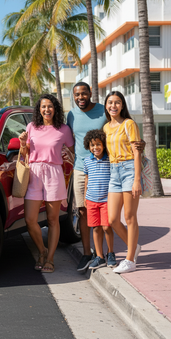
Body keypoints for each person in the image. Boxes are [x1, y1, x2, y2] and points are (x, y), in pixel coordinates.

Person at [66, 82, 145, 272]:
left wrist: (136, 176)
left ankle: (124, 257)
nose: (113, 106)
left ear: (91, 93)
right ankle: (96, 252)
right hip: (94, 169)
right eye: (77, 94)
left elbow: (134, 146)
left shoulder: (118, 118)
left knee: (121, 217)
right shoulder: (81, 118)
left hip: (117, 169)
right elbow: (71, 139)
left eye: (117, 103)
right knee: (98, 215)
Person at [18, 94, 74, 273]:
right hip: (34, 172)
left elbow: (73, 152)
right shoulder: (31, 127)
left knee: (52, 219)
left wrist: (69, 158)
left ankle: (50, 259)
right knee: (30, 219)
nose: (47, 110)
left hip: (54, 173)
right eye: (43, 107)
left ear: (55, 108)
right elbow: (24, 154)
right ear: (39, 109)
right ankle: (42, 251)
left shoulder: (63, 129)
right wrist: (21, 143)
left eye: (50, 106)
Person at [103, 91, 142, 274]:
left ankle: (130, 259)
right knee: (112, 219)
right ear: (106, 105)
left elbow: (137, 153)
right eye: (110, 102)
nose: (113, 106)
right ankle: (134, 247)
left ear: (122, 105)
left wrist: (136, 180)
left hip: (128, 170)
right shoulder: (106, 127)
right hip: (113, 171)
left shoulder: (129, 124)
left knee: (129, 217)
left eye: (117, 102)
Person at [83, 129, 116, 269]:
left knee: (107, 227)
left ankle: (111, 253)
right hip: (91, 199)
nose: (95, 147)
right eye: (92, 145)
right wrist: (85, 195)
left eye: (98, 144)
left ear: (103, 145)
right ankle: (99, 256)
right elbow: (86, 178)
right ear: (88, 146)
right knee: (96, 228)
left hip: (106, 200)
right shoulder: (87, 160)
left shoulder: (109, 159)